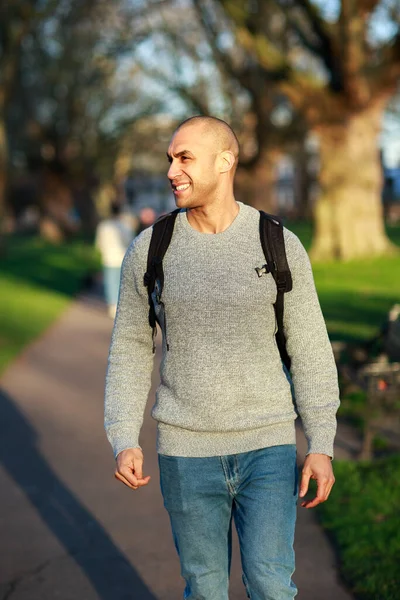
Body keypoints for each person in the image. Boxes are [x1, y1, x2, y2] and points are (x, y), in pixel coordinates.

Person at [104, 116, 340, 599]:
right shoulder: (152, 249)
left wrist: (321, 441)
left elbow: (310, 347)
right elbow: (130, 348)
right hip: (185, 453)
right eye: (170, 158)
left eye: (184, 157)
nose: (172, 170)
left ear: (225, 161)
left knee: (272, 586)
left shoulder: (277, 244)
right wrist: (123, 434)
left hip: (268, 447)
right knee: (205, 589)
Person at [95, 202, 134, 318]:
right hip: (122, 257)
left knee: (110, 282)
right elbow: (130, 241)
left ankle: (113, 305)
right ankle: (119, 304)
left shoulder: (104, 226)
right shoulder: (125, 226)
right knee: (121, 282)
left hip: (109, 258)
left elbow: (99, 242)